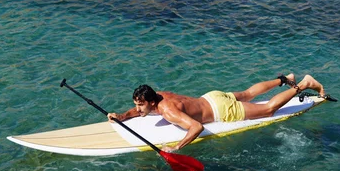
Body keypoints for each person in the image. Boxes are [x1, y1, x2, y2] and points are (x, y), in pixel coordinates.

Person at [107, 73, 326, 152]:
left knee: (268, 110)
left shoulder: (168, 111)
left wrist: (176, 147)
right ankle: (284, 79)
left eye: (140, 106)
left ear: (152, 103)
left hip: (221, 110)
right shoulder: (160, 95)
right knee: (248, 93)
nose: (137, 109)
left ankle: (305, 84)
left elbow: (196, 127)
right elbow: (139, 110)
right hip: (210, 96)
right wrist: (122, 116)